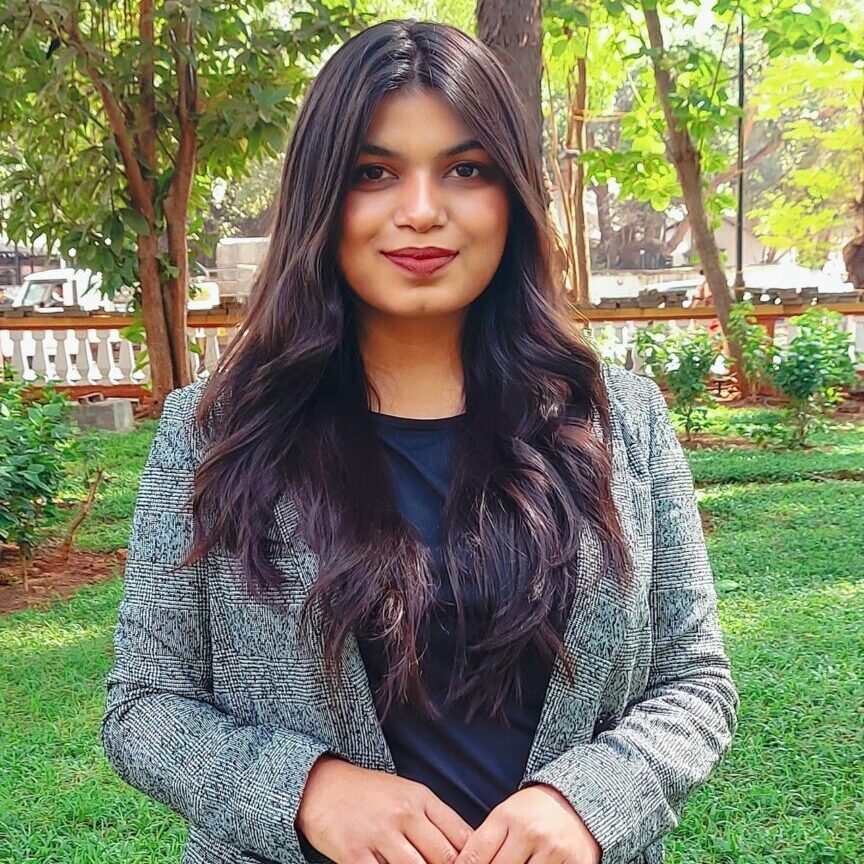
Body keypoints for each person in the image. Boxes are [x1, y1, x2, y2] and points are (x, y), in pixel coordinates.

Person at [101, 19, 739, 864]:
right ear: (322, 198)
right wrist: (308, 791)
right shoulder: (214, 435)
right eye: (375, 173)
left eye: (465, 169)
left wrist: (588, 802)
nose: (422, 212)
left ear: (511, 194)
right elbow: (146, 703)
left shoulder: (621, 421)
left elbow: (695, 682)